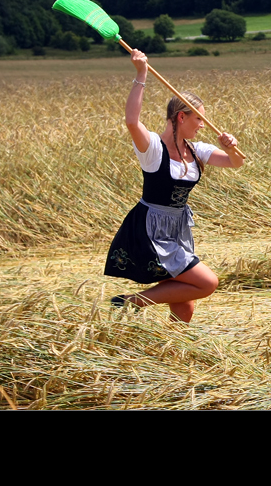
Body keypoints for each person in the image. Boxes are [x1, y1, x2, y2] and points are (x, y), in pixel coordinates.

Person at [103, 48, 243, 323]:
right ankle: (131, 302)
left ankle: (173, 355)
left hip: (178, 228)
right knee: (207, 283)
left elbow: (235, 163)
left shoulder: (197, 149)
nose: (203, 125)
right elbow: (132, 121)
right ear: (181, 117)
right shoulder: (153, 149)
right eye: (199, 118)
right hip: (151, 229)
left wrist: (233, 147)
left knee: (185, 305)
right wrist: (141, 74)